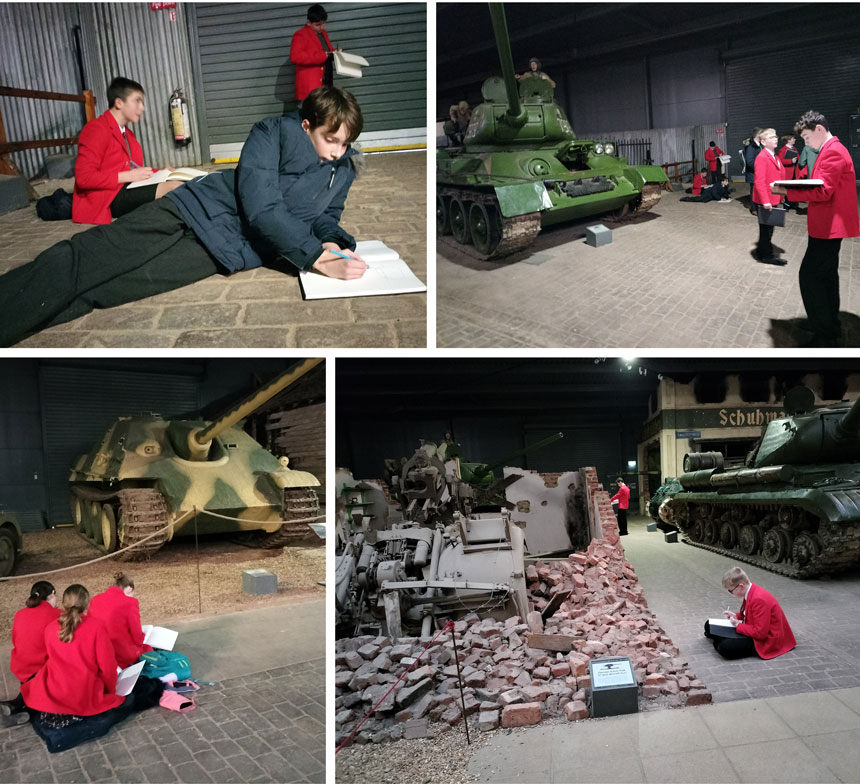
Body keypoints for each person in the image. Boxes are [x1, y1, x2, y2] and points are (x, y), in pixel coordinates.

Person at [0, 86, 367, 347]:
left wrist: (330, 241)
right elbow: (262, 207)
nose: (338, 152)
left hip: (221, 250)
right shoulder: (271, 133)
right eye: (330, 139)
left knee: (109, 289)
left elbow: (325, 215)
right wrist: (313, 255)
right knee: (88, 257)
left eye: (345, 143)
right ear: (307, 126)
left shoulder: (344, 169)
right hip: (189, 209)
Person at [773, 110, 860, 347]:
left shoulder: (833, 151)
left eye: (807, 138)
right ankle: (828, 322)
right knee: (826, 276)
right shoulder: (830, 149)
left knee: (810, 277)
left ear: (819, 129)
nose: (806, 143)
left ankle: (826, 333)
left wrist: (786, 191)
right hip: (827, 224)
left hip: (830, 225)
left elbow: (823, 191)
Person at [73, 77, 180, 225]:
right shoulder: (96, 129)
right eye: (137, 101)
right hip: (107, 199)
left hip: (125, 189)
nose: (142, 107)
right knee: (173, 187)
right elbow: (84, 178)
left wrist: (161, 172)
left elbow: (132, 167)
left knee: (178, 180)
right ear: (119, 103)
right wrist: (127, 175)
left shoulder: (128, 134)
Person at [1, 581, 61, 725]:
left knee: (31, 682)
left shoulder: (20, 614)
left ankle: (15, 705)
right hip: (40, 671)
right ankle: (28, 710)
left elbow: (16, 641)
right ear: (52, 594)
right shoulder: (58, 615)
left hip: (21, 667)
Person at [705, 567, 796, 660]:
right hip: (753, 628)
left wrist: (737, 625)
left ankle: (721, 639)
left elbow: (761, 634)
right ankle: (721, 637)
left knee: (724, 646)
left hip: (767, 639)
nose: (731, 593)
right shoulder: (750, 591)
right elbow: (750, 613)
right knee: (708, 625)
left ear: (741, 586)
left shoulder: (758, 599)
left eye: (731, 590)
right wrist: (735, 615)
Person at [87, 572, 153, 669]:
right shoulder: (130, 603)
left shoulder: (95, 600)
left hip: (100, 651)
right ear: (129, 589)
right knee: (149, 650)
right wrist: (142, 638)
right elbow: (137, 636)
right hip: (121, 652)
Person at [752, 128, 786, 266]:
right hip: (767, 200)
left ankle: (762, 251)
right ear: (764, 142)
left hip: (774, 197)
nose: (775, 139)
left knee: (768, 228)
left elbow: (779, 177)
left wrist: (782, 196)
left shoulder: (775, 157)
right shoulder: (761, 157)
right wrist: (765, 201)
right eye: (771, 137)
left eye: (775, 136)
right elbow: (759, 181)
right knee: (767, 229)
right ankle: (767, 256)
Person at [290, 4, 337, 103]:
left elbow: (327, 50)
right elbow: (295, 56)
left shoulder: (324, 33)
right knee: (311, 113)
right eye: (318, 24)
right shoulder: (300, 35)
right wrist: (323, 56)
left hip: (326, 80)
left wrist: (335, 52)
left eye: (324, 23)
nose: (322, 27)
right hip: (312, 83)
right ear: (308, 22)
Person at [778, 135, 800, 209]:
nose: (795, 140)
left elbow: (798, 158)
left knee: (793, 189)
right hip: (787, 173)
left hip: (794, 172)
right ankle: (786, 205)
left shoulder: (794, 149)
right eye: (793, 138)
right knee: (787, 190)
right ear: (788, 140)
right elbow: (780, 161)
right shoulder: (782, 150)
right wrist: (790, 161)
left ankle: (793, 204)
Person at [744, 128, 762, 214]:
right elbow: (750, 162)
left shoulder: (759, 146)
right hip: (753, 174)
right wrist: (759, 169)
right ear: (757, 136)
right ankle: (754, 209)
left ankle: (757, 207)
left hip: (757, 173)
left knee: (757, 191)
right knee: (754, 192)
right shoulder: (751, 147)